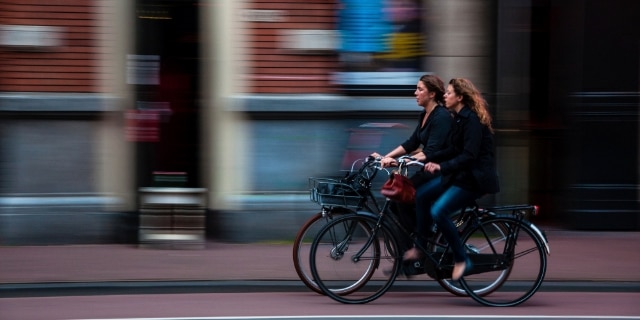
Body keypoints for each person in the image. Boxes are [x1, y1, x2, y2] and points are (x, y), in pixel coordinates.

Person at [404, 77, 500, 281]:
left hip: (474, 180)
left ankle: (462, 259)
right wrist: (428, 158)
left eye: (448, 93)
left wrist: (441, 166)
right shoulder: (457, 118)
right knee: (421, 195)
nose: (444, 96)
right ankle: (421, 247)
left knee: (438, 211)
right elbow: (452, 149)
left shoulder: (472, 120)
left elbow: (469, 156)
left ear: (460, 97)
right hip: (459, 175)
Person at [370, 74, 453, 240]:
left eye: (420, 89)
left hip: (440, 172)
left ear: (432, 94)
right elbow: (411, 143)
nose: (415, 93)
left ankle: (422, 242)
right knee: (397, 202)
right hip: (426, 170)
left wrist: (406, 160)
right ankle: (418, 244)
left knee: (402, 199)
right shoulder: (424, 115)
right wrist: (385, 157)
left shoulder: (441, 116)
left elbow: (431, 151)